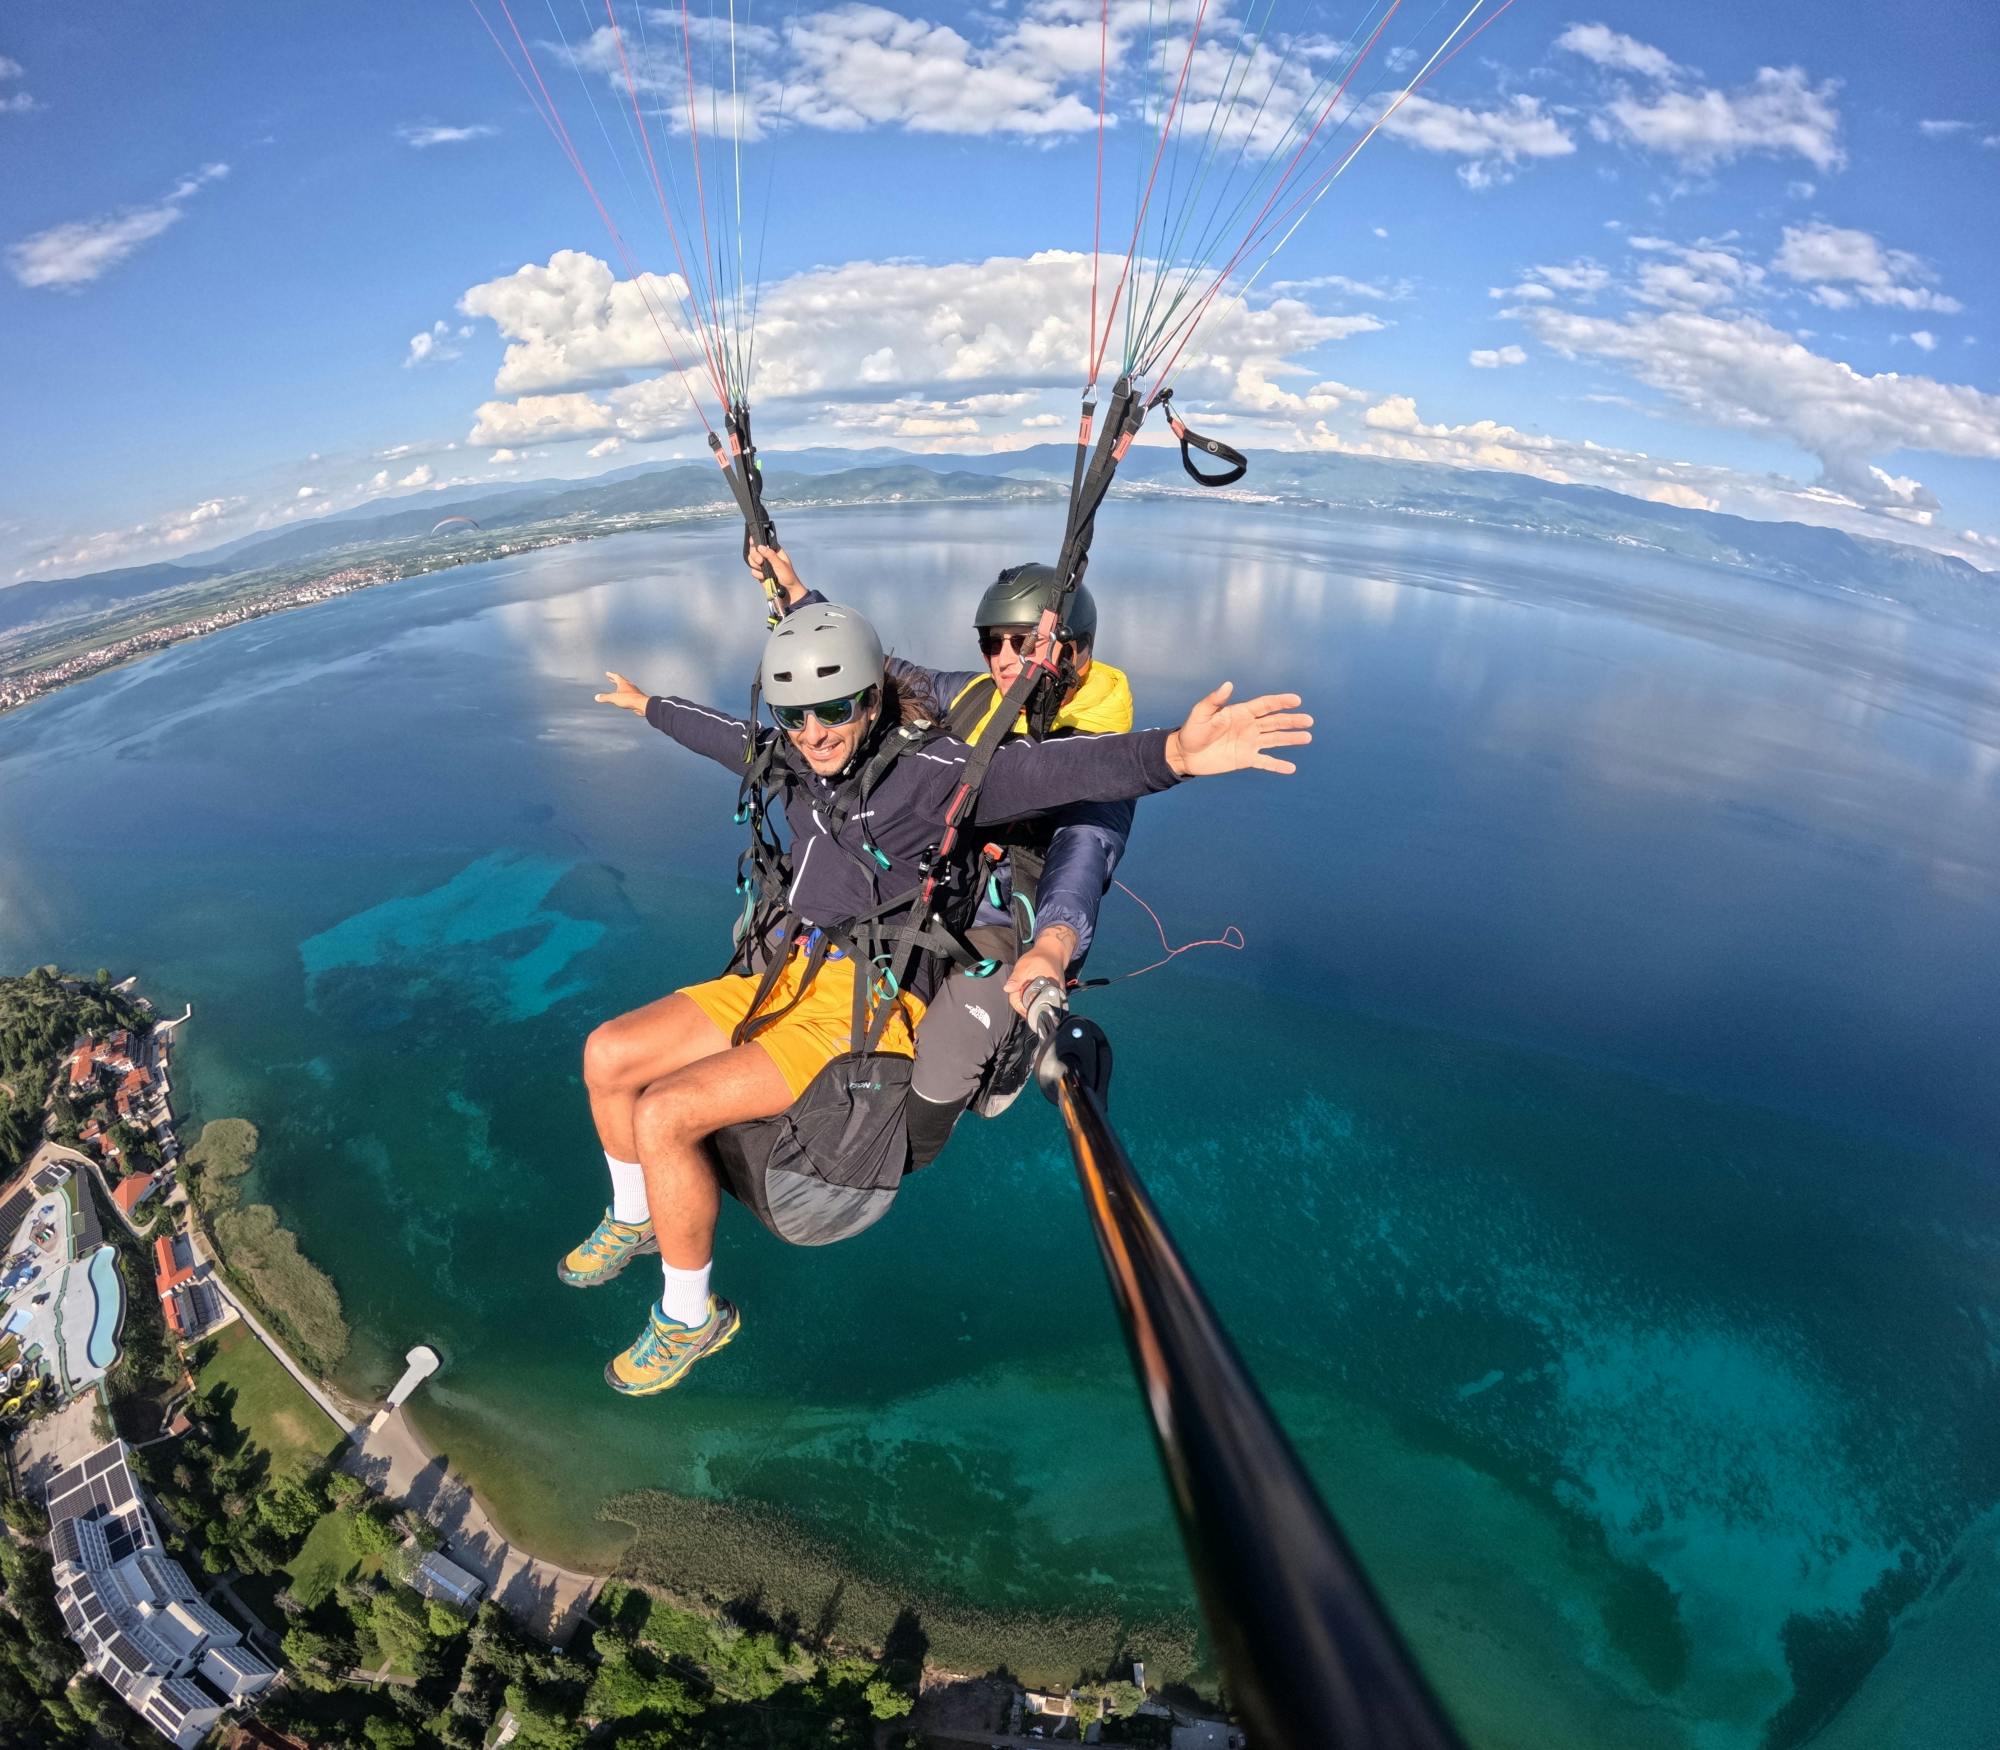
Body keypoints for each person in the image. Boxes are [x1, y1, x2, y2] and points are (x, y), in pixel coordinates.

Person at [569, 602, 1311, 1396]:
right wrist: (648, 704)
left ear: (872, 699)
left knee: (665, 1113)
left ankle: (690, 1318)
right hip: (787, 971)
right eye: (796, 716)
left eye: (835, 709)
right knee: (607, 1055)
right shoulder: (793, 755)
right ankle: (637, 1214)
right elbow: (726, 737)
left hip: (866, 1003)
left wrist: (1176, 755)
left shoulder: (935, 775)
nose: (814, 733)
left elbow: (1061, 773)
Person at [746, 543, 1132, 1166]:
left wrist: (1055, 944)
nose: (1005, 658)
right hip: (935, 884)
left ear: (1075, 649)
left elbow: (1085, 851)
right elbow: (876, 671)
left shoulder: (1097, 750)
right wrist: (798, 599)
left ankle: (899, 1155)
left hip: (1002, 921)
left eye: (1023, 642)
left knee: (947, 1052)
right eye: (993, 643)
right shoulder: (980, 697)